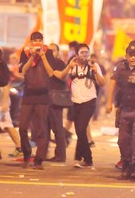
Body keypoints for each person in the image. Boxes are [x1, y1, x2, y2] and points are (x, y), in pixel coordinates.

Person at [106, 40, 135, 181]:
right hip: (125, 109)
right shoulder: (121, 67)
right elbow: (113, 82)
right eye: (130, 55)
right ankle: (126, 167)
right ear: (126, 55)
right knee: (123, 141)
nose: (133, 57)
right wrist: (109, 102)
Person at [56, 43, 105, 169]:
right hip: (75, 101)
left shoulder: (94, 66)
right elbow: (62, 76)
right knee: (79, 130)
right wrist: (69, 67)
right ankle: (78, 158)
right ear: (77, 55)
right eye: (82, 53)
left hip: (89, 100)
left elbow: (103, 83)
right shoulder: (73, 65)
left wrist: (95, 73)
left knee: (81, 128)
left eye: (87, 52)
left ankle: (88, 159)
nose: (85, 55)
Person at [18, 32, 55, 169]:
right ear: (31, 41)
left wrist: (43, 56)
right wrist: (32, 56)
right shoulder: (26, 52)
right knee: (22, 127)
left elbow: (51, 72)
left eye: (40, 40)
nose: (37, 43)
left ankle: (39, 160)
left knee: (41, 130)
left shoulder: (48, 52)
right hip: (28, 95)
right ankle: (27, 154)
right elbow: (23, 70)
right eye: (35, 40)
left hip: (43, 96)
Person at [46, 42, 68, 164]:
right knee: (45, 127)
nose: (50, 53)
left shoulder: (59, 63)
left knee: (57, 127)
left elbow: (63, 77)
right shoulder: (43, 62)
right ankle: (44, 152)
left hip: (55, 99)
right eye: (48, 50)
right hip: (44, 98)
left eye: (53, 50)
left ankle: (60, 155)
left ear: (57, 52)